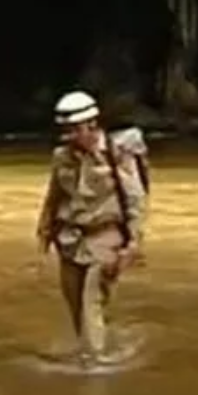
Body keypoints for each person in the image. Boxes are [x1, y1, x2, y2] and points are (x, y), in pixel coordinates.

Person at [36, 90, 149, 364]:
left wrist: (133, 245)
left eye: (74, 129)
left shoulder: (118, 155)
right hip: (70, 239)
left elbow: (135, 200)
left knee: (92, 301)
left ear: (91, 125)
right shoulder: (61, 157)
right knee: (75, 306)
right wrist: (44, 234)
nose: (68, 136)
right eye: (64, 130)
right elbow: (54, 197)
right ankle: (92, 350)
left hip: (107, 238)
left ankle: (94, 365)